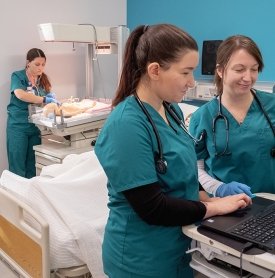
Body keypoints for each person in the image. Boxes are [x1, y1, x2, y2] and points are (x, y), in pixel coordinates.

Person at [94, 24, 251, 278]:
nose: (192, 82)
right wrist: (216, 208)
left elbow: (179, 183)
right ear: (155, 70)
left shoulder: (172, 111)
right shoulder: (126, 125)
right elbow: (153, 207)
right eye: (186, 72)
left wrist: (213, 198)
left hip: (178, 250)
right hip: (140, 261)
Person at [189, 35, 275, 197]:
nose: (248, 77)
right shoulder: (203, 117)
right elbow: (195, 168)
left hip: (270, 202)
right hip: (226, 205)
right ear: (220, 70)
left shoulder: (272, 105)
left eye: (254, 69)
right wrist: (220, 188)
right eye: (239, 69)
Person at [7, 48, 58, 178]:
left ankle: (29, 196)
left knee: (33, 165)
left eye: (43, 64)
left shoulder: (43, 80)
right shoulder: (18, 76)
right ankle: (15, 197)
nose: (40, 68)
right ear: (28, 62)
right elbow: (20, 94)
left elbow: (47, 103)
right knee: (17, 167)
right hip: (18, 126)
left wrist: (53, 103)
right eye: (37, 64)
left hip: (36, 127)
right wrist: (44, 98)